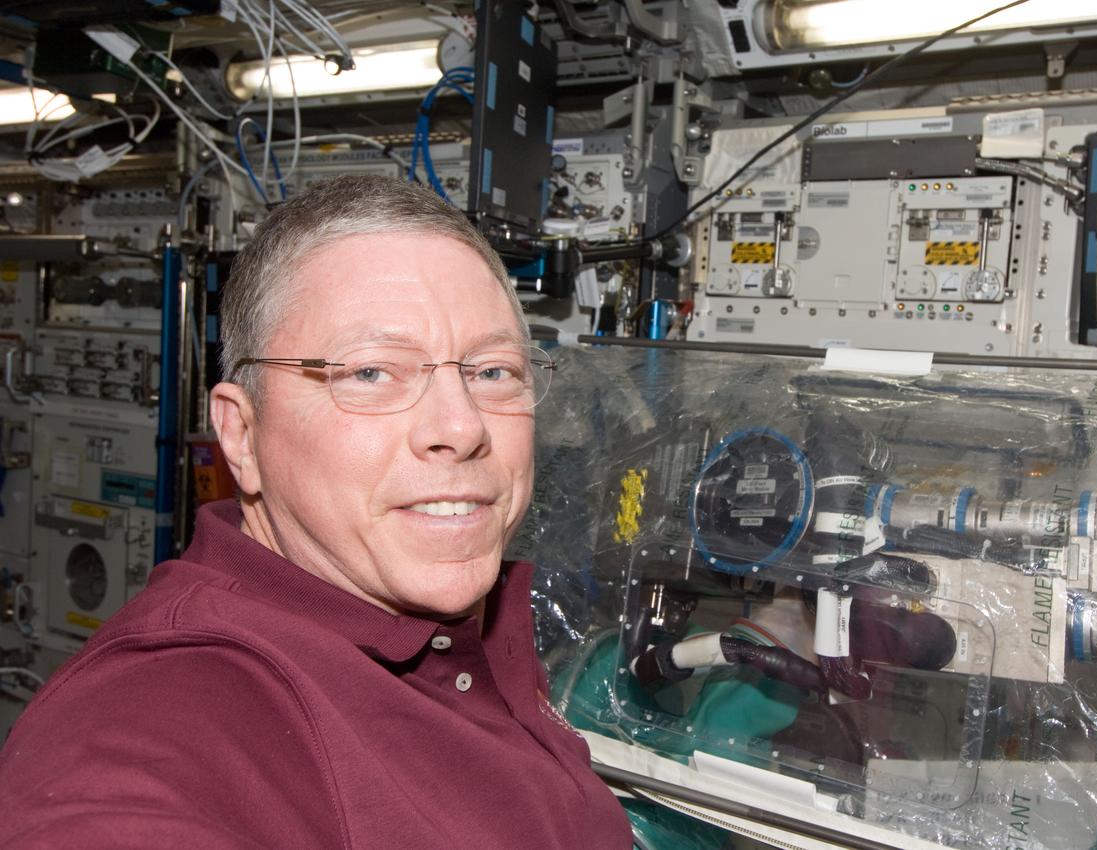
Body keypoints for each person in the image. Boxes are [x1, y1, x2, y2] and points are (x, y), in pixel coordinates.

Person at [0, 175, 633, 848]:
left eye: (493, 372)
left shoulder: (462, 618)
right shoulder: (149, 721)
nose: (462, 425)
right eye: (370, 372)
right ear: (241, 435)